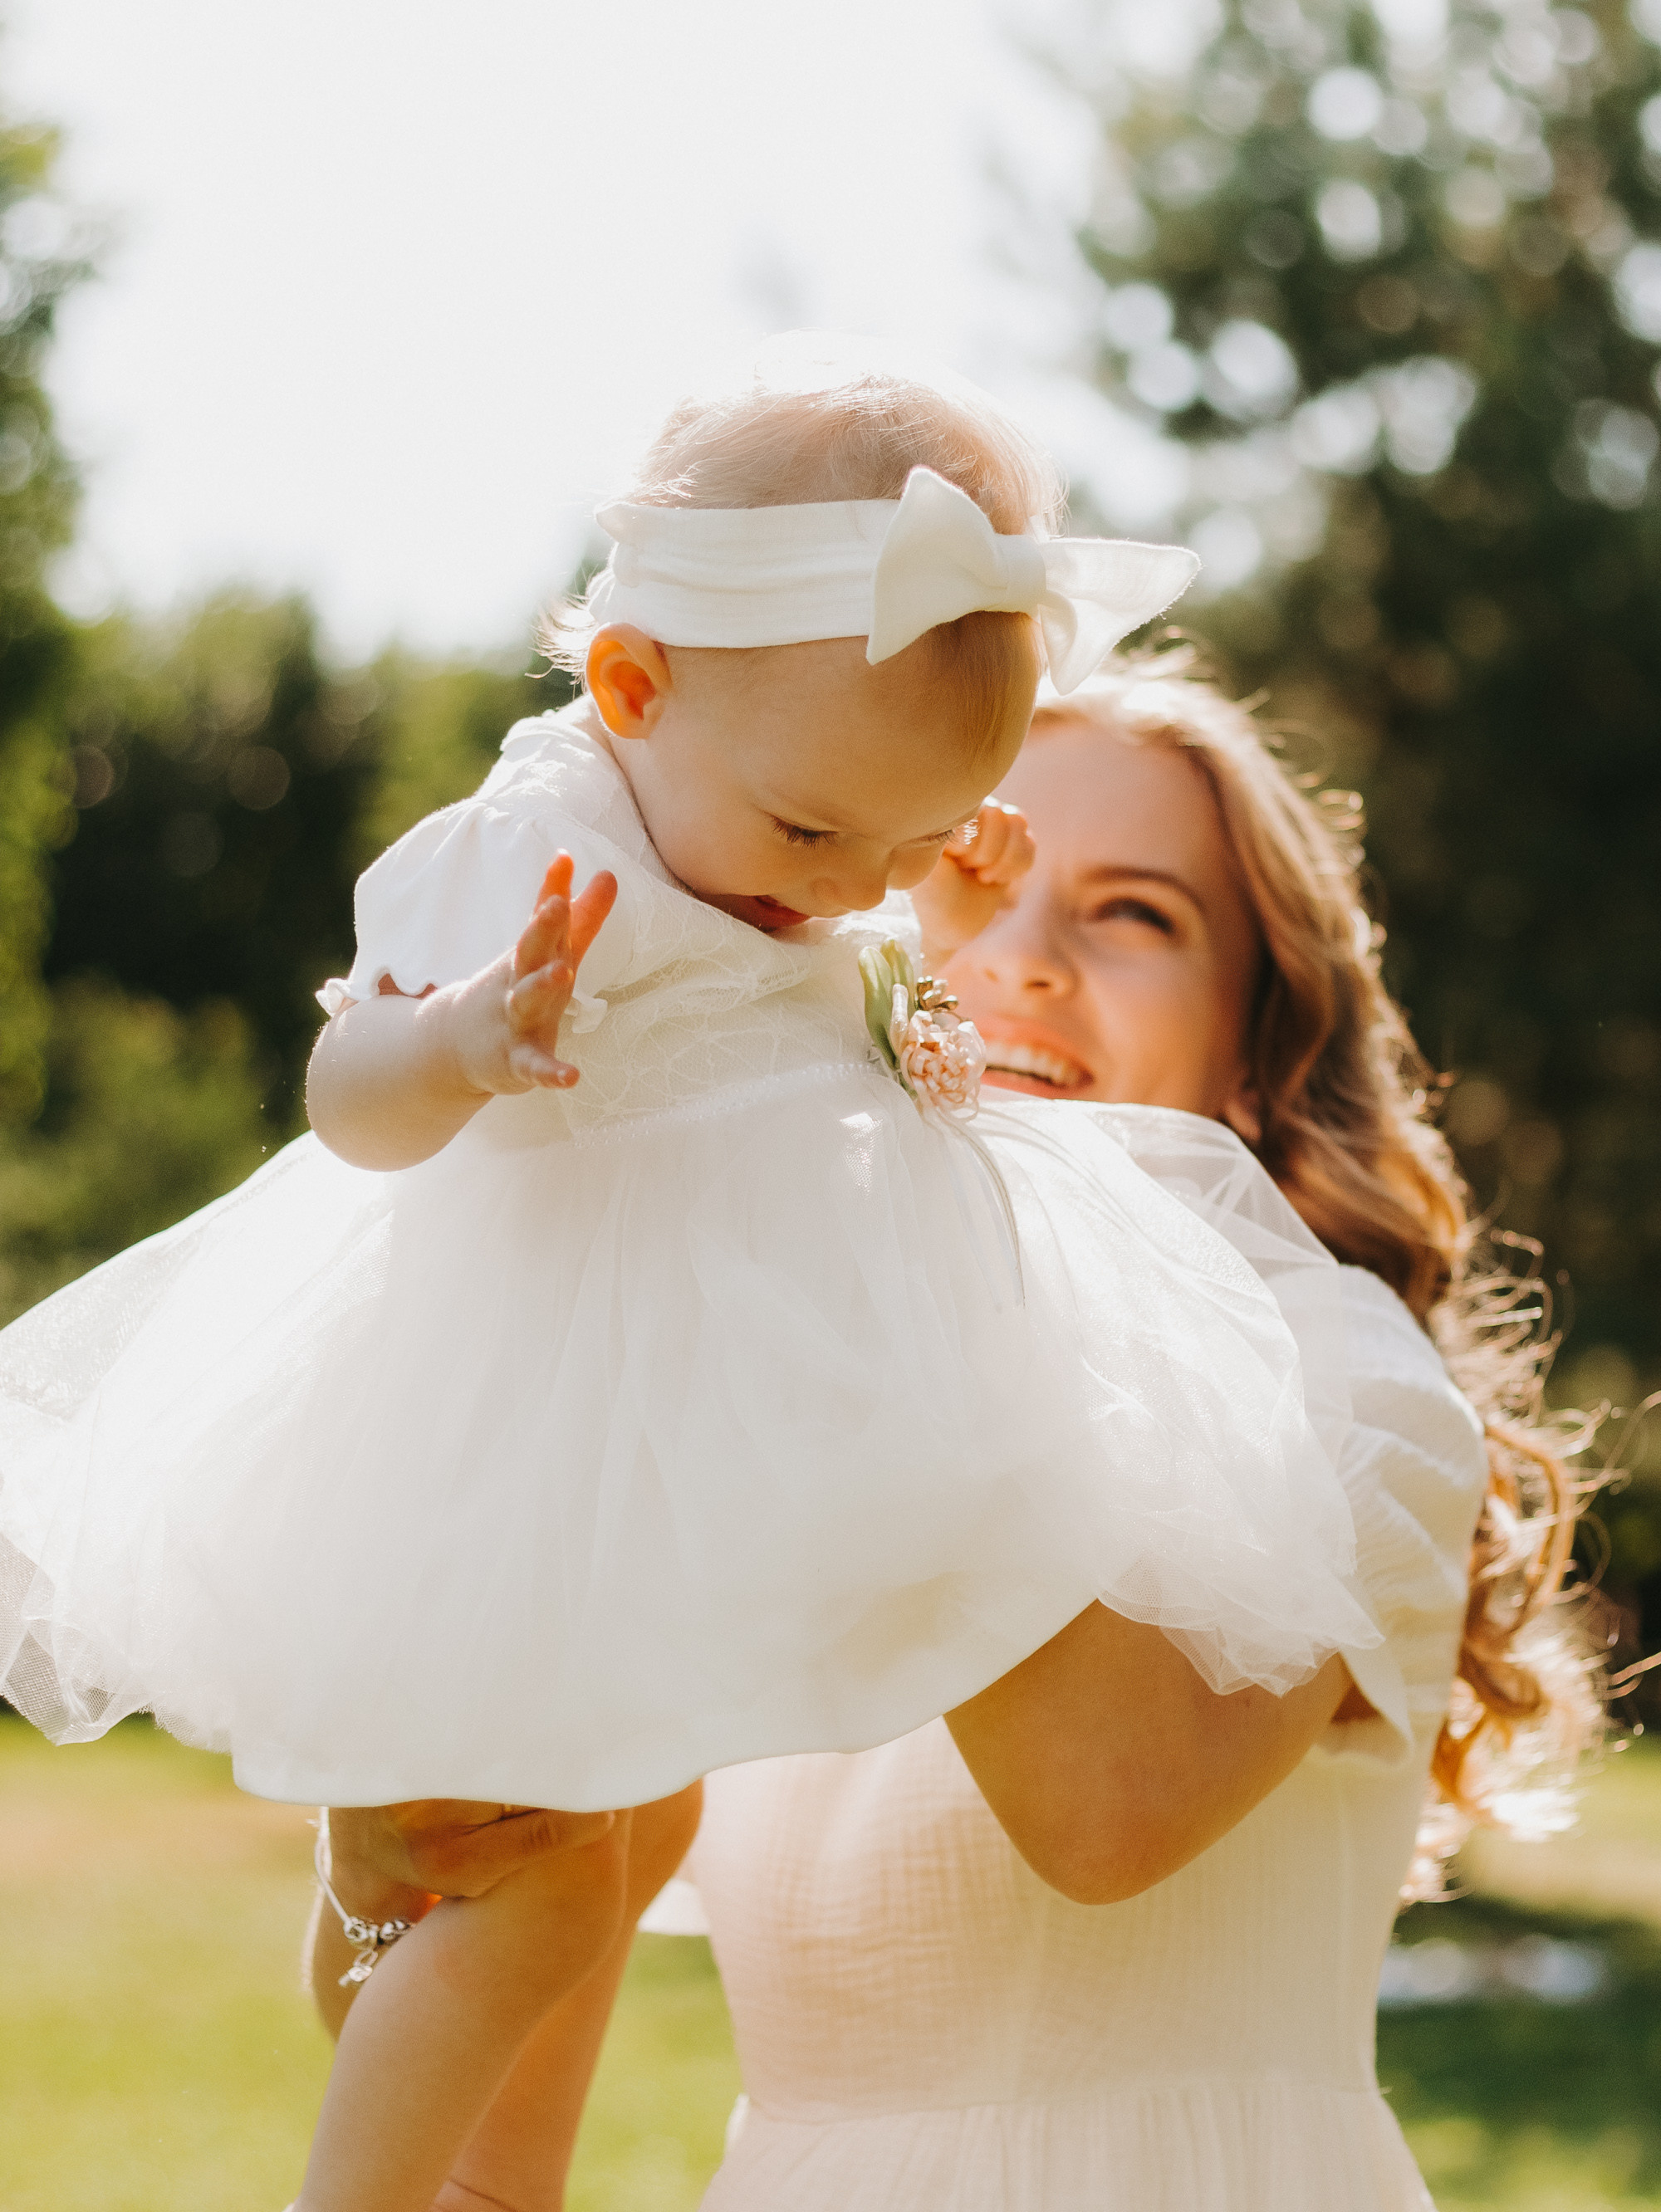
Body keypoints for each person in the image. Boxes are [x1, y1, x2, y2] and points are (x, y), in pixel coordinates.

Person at [0, 348, 1383, 2212]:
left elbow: (1107, 1817)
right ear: (636, 691)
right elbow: (359, 1084)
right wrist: (468, 1042)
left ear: (1274, 1014)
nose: (945, 934)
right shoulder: (568, 871)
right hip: (556, 1380)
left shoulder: (1329, 1403)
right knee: (535, 1864)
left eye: (1128, 915)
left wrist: (909, 915)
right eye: (840, 842)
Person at [316, 654, 1603, 2211]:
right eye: (956, 873)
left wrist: (832, 1240)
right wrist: (384, 1884)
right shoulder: (730, 1391)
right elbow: (486, 2168)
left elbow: (1111, 1807)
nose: (1022, 963)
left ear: (1261, 1051)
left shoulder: (1350, 1378)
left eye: (1137, 915)